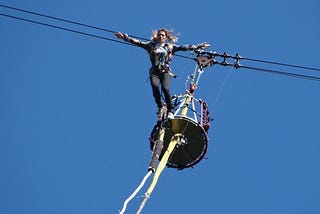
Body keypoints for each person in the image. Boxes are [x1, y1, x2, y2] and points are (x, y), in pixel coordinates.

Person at [115, 28, 210, 119]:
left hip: (166, 71)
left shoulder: (170, 47)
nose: (161, 36)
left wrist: (199, 46)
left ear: (165, 37)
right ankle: (160, 106)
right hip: (155, 71)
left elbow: (184, 47)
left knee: (165, 88)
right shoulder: (150, 45)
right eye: (159, 35)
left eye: (163, 35)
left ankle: (170, 110)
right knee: (155, 87)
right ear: (156, 36)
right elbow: (137, 42)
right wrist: (124, 37)